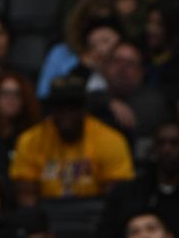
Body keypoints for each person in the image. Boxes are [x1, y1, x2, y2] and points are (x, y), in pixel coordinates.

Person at [9, 75, 134, 204]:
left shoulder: (111, 140)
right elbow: (26, 196)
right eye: (59, 108)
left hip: (95, 213)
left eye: (73, 107)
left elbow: (116, 198)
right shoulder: (30, 140)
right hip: (45, 213)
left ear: (84, 110)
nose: (66, 114)